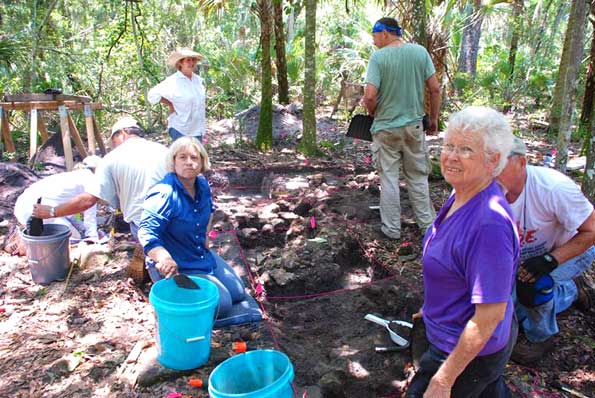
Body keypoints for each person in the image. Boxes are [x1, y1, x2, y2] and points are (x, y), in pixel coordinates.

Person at [407, 107, 518, 398]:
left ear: (493, 160)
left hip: (465, 351)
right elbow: (454, 267)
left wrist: (444, 380)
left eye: (466, 149)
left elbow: (489, 315)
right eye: (449, 146)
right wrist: (432, 308)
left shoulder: (489, 224)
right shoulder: (462, 192)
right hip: (456, 334)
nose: (451, 156)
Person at [138, 137, 262, 328]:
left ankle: (201, 285)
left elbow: (210, 209)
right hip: (176, 264)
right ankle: (175, 301)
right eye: (183, 157)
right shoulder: (164, 193)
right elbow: (146, 232)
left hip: (198, 252)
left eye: (194, 158)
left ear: (202, 162)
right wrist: (163, 258)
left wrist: (205, 235)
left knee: (238, 292)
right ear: (173, 161)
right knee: (223, 304)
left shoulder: (202, 185)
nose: (189, 162)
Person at [497, 137, 595, 364]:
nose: (493, 171)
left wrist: (551, 260)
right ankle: (571, 291)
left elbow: (591, 231)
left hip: (571, 248)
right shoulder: (487, 190)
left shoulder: (553, 187)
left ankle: (541, 337)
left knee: (532, 285)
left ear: (521, 162)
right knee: (513, 311)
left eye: (500, 163)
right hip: (524, 254)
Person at [362, 17, 440, 240]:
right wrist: (433, 119)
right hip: (414, 127)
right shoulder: (420, 52)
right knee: (417, 177)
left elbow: (369, 95)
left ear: (385, 33)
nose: (374, 40)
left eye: (375, 35)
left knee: (389, 178)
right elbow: (435, 89)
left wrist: (373, 112)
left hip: (386, 129)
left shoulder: (378, 58)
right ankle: (428, 228)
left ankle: (392, 230)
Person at [32, 117, 168, 240]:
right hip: (177, 218)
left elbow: (87, 201)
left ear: (122, 134)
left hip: (146, 224)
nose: (114, 146)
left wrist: (52, 211)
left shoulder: (112, 158)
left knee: (160, 264)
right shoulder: (164, 151)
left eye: (113, 141)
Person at [12, 155, 101, 243]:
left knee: (75, 233)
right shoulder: (91, 180)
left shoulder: (71, 176)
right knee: (73, 238)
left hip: (21, 208)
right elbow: (89, 213)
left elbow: (72, 213)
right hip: (35, 211)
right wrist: (92, 237)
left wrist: (81, 228)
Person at [148, 48, 206, 142]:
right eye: (188, 60)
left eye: (192, 60)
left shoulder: (198, 81)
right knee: (182, 155)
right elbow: (152, 95)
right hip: (180, 129)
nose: (191, 63)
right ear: (180, 63)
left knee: (196, 156)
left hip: (197, 130)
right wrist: (170, 103)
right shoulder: (173, 81)